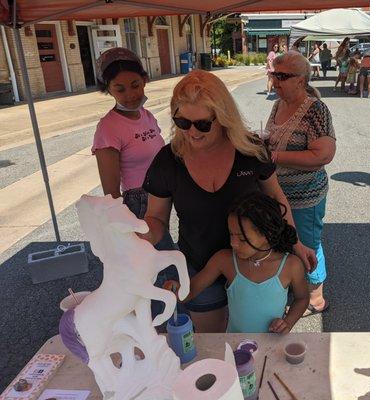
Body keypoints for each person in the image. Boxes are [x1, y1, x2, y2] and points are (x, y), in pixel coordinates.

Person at [141, 70, 316, 333]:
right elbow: (156, 220)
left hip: (256, 262)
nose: (192, 132)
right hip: (201, 264)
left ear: (223, 117)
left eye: (202, 124)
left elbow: (276, 197)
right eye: (182, 122)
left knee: (255, 334)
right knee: (211, 340)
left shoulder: (251, 150)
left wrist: (295, 242)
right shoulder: (168, 161)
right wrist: (134, 240)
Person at [172, 192, 309, 333]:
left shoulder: (291, 265)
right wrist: (176, 290)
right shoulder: (224, 260)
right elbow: (191, 291)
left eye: (242, 239)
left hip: (273, 343)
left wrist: (288, 322)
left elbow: (302, 298)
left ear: (268, 235)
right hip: (236, 345)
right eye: (231, 234)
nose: (233, 243)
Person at [266, 51, 336, 316]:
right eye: (274, 74)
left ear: (301, 79)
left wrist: (274, 156)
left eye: (282, 76)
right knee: (287, 241)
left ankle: (316, 298)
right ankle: (296, 289)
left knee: (308, 244)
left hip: (306, 196)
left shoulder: (315, 110)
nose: (275, 80)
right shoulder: (278, 104)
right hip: (279, 193)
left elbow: (323, 155)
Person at [92, 48, 164, 219]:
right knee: (155, 246)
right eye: (120, 89)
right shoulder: (108, 128)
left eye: (135, 85)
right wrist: (122, 224)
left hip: (159, 195)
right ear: (108, 90)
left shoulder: (147, 115)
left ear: (144, 81)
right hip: (137, 203)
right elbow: (111, 193)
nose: (130, 95)